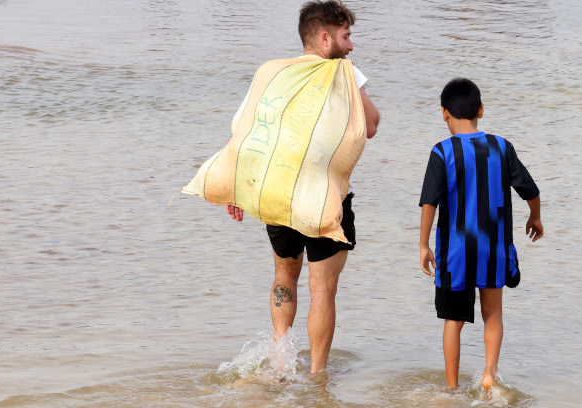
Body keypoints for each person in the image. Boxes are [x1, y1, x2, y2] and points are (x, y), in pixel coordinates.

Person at [225, 0, 380, 374]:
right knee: (323, 289)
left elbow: (248, 130)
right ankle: (316, 377)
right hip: (328, 200)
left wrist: (236, 188)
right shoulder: (344, 72)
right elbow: (371, 125)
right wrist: (348, 76)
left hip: (281, 196)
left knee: (284, 277)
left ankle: (282, 363)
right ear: (325, 37)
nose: (351, 46)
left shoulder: (275, 75)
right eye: (346, 36)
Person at [418, 78, 542, 389]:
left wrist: (422, 245)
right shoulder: (502, 147)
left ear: (444, 113)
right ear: (481, 110)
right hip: (493, 248)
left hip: (456, 251)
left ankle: (451, 388)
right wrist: (535, 218)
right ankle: (489, 374)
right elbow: (530, 190)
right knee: (493, 313)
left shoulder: (442, 152)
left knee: (453, 321)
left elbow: (429, 203)